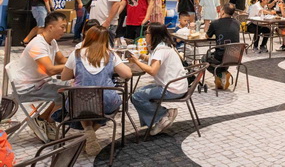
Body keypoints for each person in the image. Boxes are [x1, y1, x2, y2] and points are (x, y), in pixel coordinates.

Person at [61, 25, 131, 155]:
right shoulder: (110, 55)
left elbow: (64, 76)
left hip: (77, 103)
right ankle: (91, 133)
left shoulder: (76, 54)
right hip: (105, 102)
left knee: (84, 101)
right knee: (109, 104)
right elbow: (127, 74)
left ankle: (88, 131)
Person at [12, 11, 68, 141]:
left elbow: (62, 60)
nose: (65, 30)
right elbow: (50, 70)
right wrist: (74, 65)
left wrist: (77, 61)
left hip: (40, 83)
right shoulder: (38, 44)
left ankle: (42, 119)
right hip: (27, 88)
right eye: (62, 27)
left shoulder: (52, 41)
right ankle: (48, 121)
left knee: (70, 88)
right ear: (51, 27)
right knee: (65, 94)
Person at [129, 23, 185, 135]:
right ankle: (159, 118)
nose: (145, 35)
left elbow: (152, 70)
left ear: (154, 35)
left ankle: (163, 116)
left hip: (171, 88)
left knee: (137, 97)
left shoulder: (160, 50)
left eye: (147, 33)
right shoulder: (166, 46)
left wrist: (136, 62)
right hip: (177, 85)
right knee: (139, 92)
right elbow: (154, 60)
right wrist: (141, 56)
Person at [205, 3, 240, 89]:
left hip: (220, 56)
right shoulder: (237, 23)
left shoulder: (215, 23)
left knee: (204, 59)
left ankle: (221, 74)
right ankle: (223, 76)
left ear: (223, 12)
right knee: (224, 56)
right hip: (234, 56)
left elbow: (207, 36)